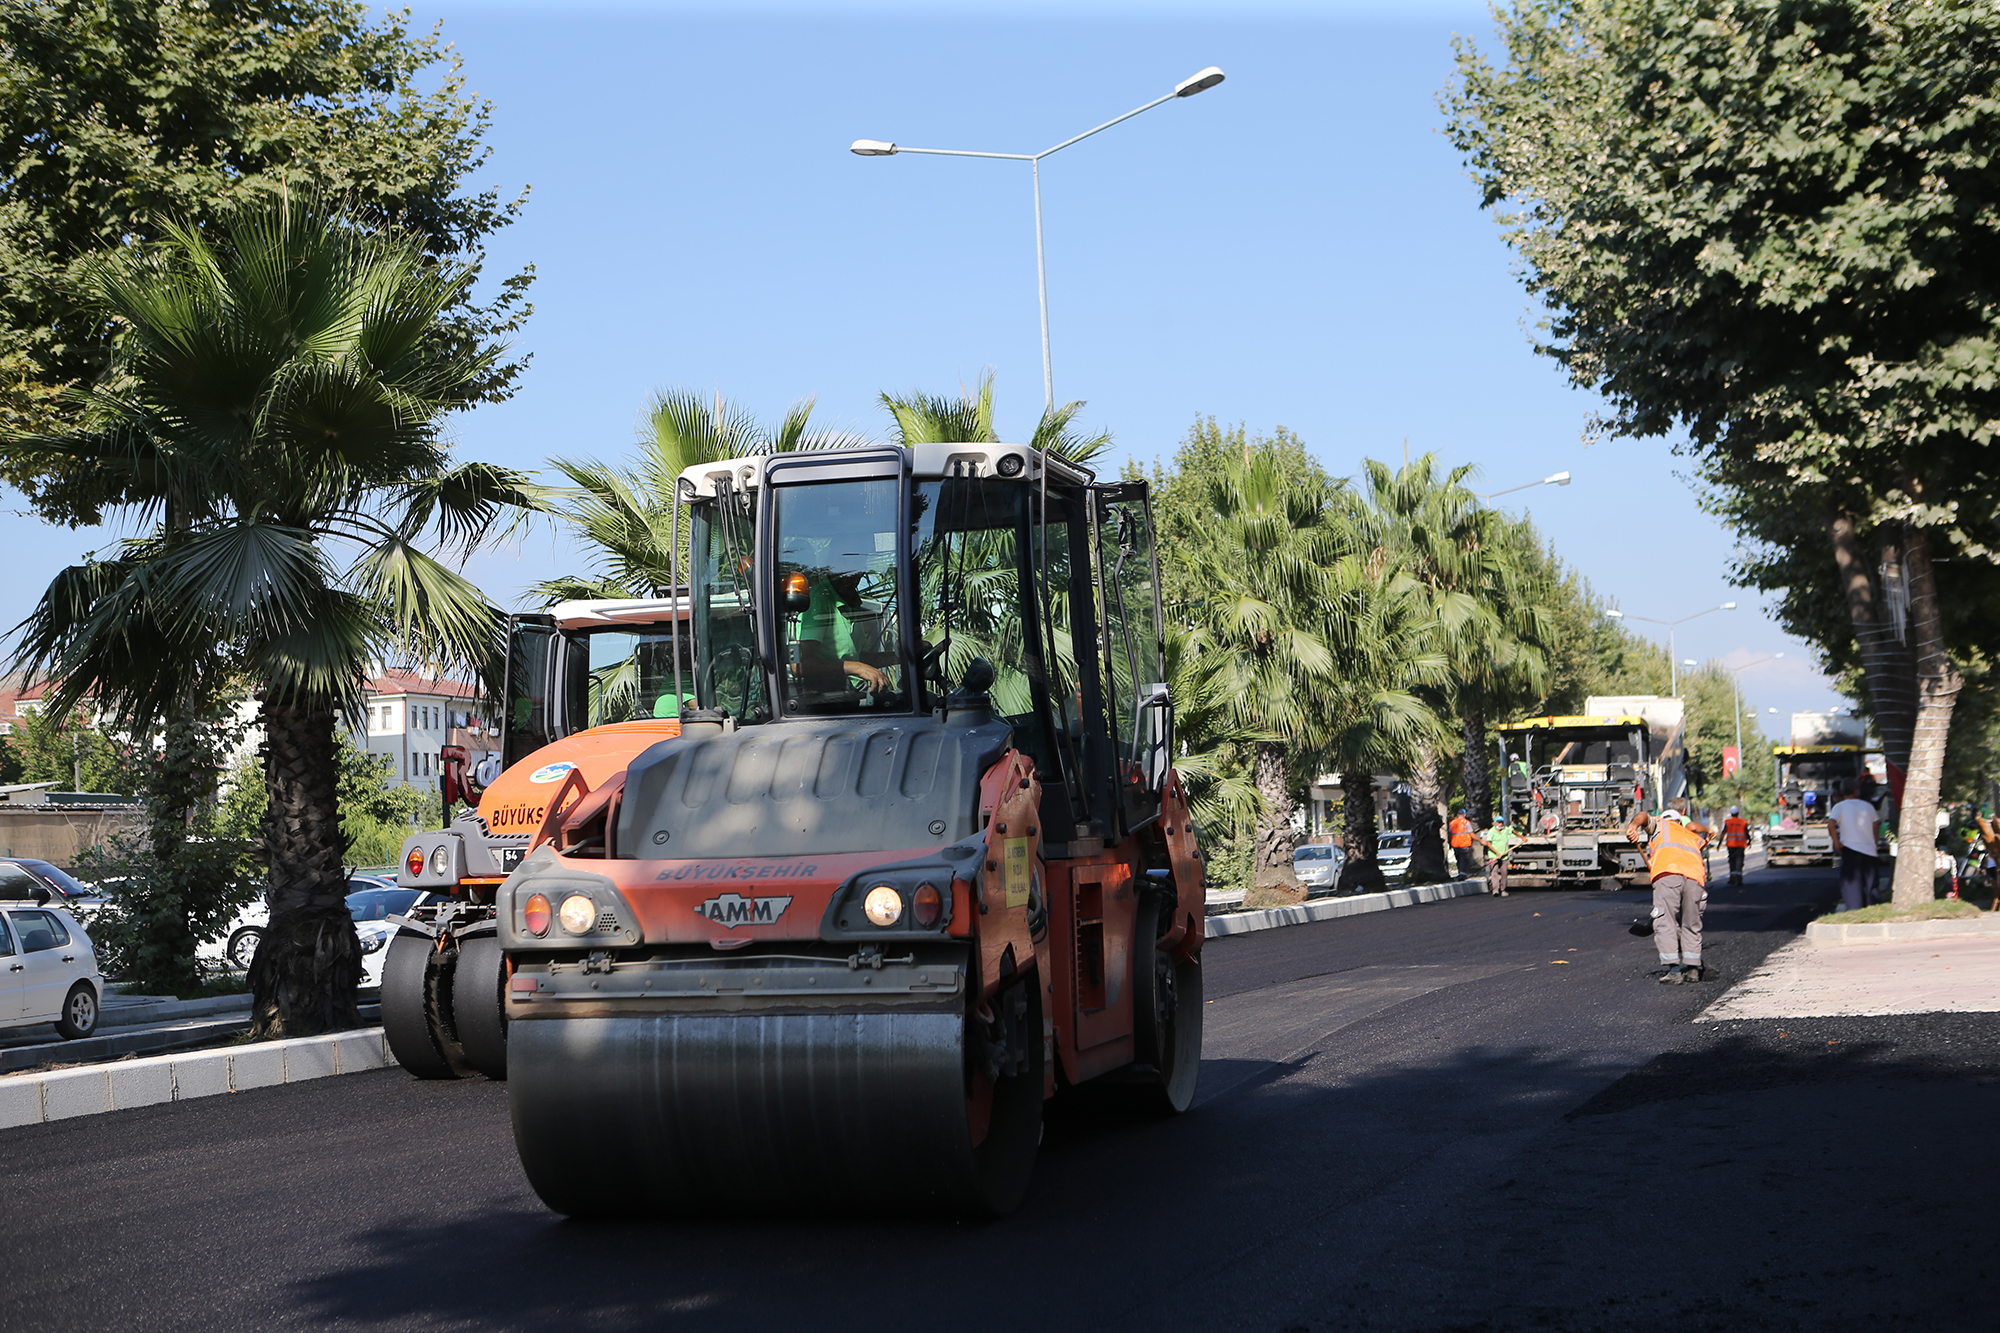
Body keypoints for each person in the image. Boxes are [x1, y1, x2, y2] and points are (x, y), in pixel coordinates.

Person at [1627, 799, 1713, 983]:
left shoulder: (1660, 824)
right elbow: (1699, 843)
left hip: (1668, 875)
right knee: (1691, 924)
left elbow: (1642, 816)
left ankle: (1674, 971)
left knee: (1665, 922)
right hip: (1695, 879)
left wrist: (1633, 826)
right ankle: (1693, 969)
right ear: (1680, 821)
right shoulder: (1689, 834)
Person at [1827, 781, 1883, 912]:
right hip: (1869, 850)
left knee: (1852, 885)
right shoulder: (1868, 806)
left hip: (1850, 849)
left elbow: (1831, 824)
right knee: (1872, 885)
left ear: (1842, 791)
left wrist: (1837, 843)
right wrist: (1874, 842)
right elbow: (1876, 825)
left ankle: (1855, 910)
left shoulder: (1839, 807)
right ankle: (1875, 909)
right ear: (1856, 791)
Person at [1476, 814, 1519, 897]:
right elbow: (1488, 843)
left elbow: (1513, 831)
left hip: (1504, 856)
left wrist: (1522, 837)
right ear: (1495, 823)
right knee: (1494, 872)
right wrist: (1497, 853)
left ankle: (1503, 889)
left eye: (1501, 822)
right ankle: (1495, 890)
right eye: (1499, 822)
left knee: (1504, 872)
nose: (1500, 824)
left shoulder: (1506, 830)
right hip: (1494, 855)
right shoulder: (1491, 832)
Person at [1721, 806, 1750, 887]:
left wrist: (1719, 843)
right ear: (1738, 813)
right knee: (1739, 862)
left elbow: (1723, 832)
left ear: (1731, 813)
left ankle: (1732, 879)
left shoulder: (1727, 822)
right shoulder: (1743, 822)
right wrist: (1749, 840)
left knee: (1732, 861)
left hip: (1731, 845)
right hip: (1740, 845)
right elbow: (1746, 832)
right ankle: (1739, 879)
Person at [1448, 809, 1476, 879]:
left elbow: (1449, 834)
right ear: (1465, 815)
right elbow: (1471, 834)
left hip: (1455, 844)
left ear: (1457, 815)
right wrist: (1480, 840)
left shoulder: (1452, 822)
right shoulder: (1466, 822)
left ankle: (1460, 873)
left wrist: (1449, 843)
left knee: (1459, 859)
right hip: (1465, 844)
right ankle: (1462, 874)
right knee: (1464, 859)